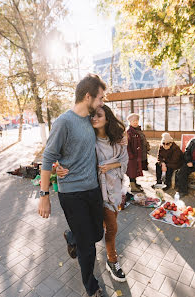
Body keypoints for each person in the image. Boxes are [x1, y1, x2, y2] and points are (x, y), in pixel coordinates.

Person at [38, 74, 106, 297]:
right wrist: (45, 195)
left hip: (92, 189)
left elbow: (111, 126)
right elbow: (48, 159)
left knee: (96, 233)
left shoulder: (90, 119)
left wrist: (122, 138)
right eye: (100, 98)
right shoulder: (63, 122)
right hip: (72, 193)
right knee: (88, 246)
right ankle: (91, 286)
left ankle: (71, 236)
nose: (102, 102)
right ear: (88, 96)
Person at [56, 105, 128, 282]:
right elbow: (68, 153)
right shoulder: (87, 138)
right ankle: (108, 259)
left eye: (99, 115)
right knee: (102, 228)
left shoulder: (118, 139)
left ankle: (77, 238)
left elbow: (125, 160)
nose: (94, 118)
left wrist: (111, 165)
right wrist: (59, 167)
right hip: (92, 190)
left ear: (107, 118)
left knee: (104, 228)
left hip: (113, 189)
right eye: (92, 115)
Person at [126, 113, 150, 192]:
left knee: (136, 170)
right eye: (133, 121)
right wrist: (131, 155)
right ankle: (133, 186)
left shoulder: (138, 130)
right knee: (132, 170)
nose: (135, 122)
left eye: (136, 120)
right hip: (132, 155)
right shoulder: (129, 132)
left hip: (138, 154)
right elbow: (127, 145)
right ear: (130, 122)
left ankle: (134, 183)